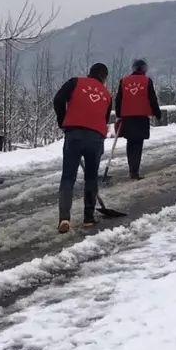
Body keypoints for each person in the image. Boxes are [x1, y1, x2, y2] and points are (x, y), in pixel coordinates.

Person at [53, 63, 113, 233]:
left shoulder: (75, 82)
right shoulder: (107, 95)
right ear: (104, 78)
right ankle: (88, 217)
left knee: (68, 177)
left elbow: (58, 99)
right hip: (95, 138)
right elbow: (105, 118)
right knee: (91, 177)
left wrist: (63, 121)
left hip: (74, 134)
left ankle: (64, 218)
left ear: (90, 73)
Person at [114, 59, 161, 180]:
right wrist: (157, 113)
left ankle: (131, 169)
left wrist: (119, 114)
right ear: (144, 69)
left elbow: (118, 99)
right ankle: (135, 170)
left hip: (127, 117)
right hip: (141, 116)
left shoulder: (124, 81)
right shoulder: (146, 81)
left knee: (130, 142)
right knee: (138, 143)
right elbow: (152, 98)